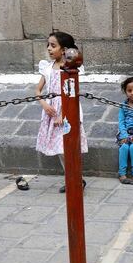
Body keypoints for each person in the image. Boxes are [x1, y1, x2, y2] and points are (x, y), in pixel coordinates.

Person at [35, 31, 88, 193]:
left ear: (64, 49)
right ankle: (72, 178)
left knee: (68, 148)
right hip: (52, 113)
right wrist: (44, 104)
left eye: (53, 45)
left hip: (67, 111)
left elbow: (71, 93)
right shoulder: (47, 67)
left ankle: (76, 179)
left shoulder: (70, 68)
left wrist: (62, 114)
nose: (49, 49)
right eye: (48, 45)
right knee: (59, 150)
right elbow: (37, 91)